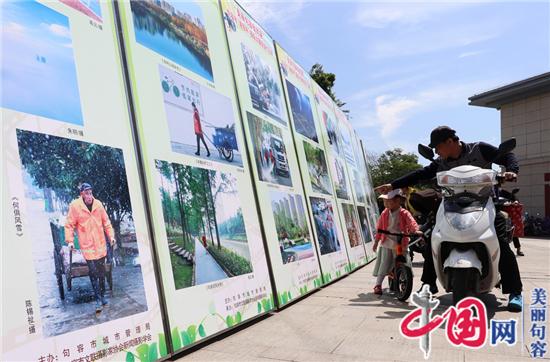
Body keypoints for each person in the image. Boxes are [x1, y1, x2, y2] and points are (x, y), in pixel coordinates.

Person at [374, 126, 523, 311]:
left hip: (485, 204)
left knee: (501, 242)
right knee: (433, 239)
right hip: (451, 205)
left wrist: (511, 170)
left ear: (450, 142)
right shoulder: (441, 162)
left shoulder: (480, 149)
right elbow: (420, 174)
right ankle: (428, 284)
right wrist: (393, 185)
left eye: (438, 147)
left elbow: (507, 156)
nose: (437, 152)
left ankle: (515, 291)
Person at [65, 183, 115, 313]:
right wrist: (70, 241)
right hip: (87, 246)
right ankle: (98, 299)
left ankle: (102, 296)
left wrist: (111, 236)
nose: (89, 195)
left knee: (102, 272)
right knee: (93, 272)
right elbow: (69, 224)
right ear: (81, 194)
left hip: (100, 245)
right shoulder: (75, 206)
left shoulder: (98, 204)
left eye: (90, 192)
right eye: (86, 193)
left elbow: (107, 222)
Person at [372, 189, 421, 295]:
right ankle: (378, 284)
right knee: (384, 263)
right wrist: (376, 241)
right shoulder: (385, 213)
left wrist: (415, 230)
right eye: (384, 201)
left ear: (398, 201)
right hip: (387, 241)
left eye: (388, 201)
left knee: (403, 260)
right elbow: (379, 228)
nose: (385, 204)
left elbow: (411, 222)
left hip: (400, 241)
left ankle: (404, 278)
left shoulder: (404, 213)